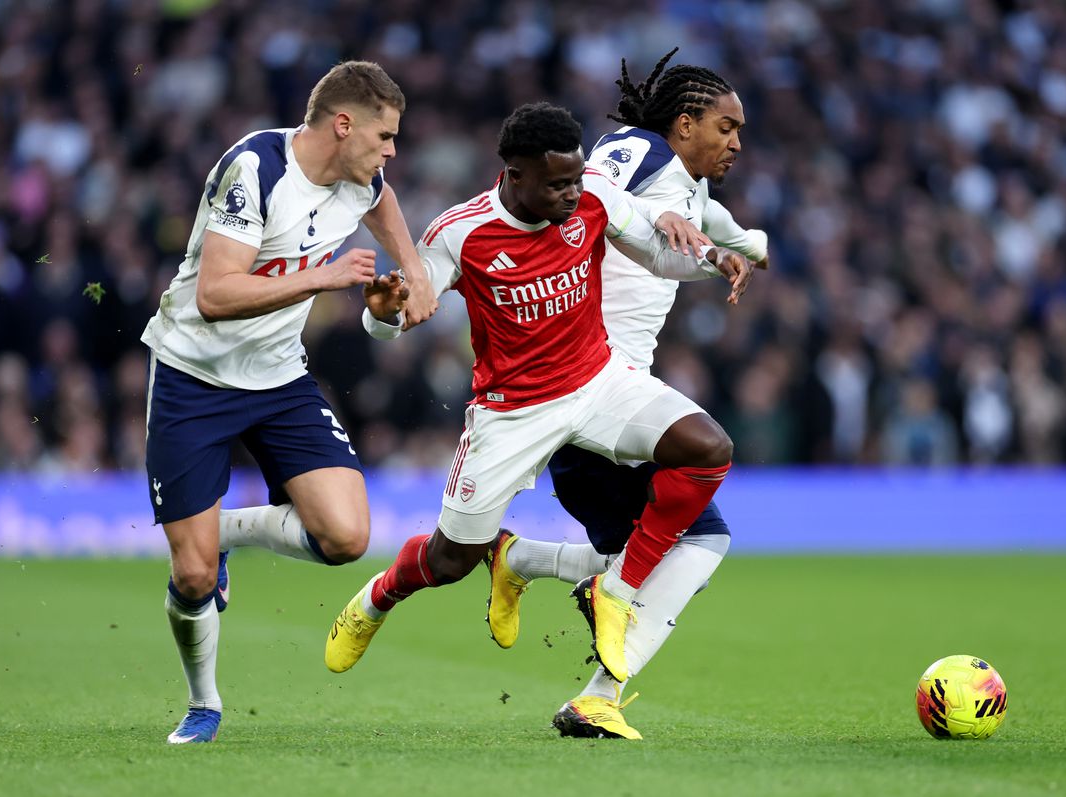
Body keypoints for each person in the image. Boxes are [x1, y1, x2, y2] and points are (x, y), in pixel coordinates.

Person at [324, 102, 754, 706]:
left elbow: (655, 252)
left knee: (708, 448)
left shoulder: (592, 196)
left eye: (576, 178)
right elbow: (400, 315)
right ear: (514, 174)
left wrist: (713, 259)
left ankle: (616, 590)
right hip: (513, 411)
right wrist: (381, 315)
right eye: (557, 184)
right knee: (450, 561)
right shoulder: (460, 233)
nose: (572, 194)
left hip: (599, 382)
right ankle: (379, 597)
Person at [142, 61, 433, 744]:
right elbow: (215, 295)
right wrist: (322, 277)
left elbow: (382, 199)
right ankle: (204, 703)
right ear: (343, 125)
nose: (392, 151)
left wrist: (413, 270)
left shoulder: (359, 177)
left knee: (346, 538)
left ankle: (225, 535)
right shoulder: (256, 169)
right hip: (193, 376)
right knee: (191, 575)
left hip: (277, 378)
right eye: (385, 136)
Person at [483, 50, 768, 740]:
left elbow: (727, 228)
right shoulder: (641, 151)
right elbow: (588, 188)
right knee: (699, 543)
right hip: (590, 390)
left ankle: (520, 560)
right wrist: (664, 218)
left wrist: (747, 247)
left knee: (662, 553)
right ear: (684, 123)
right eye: (726, 127)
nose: (737, 142)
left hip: (612, 395)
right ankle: (597, 695)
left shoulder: (692, 193)